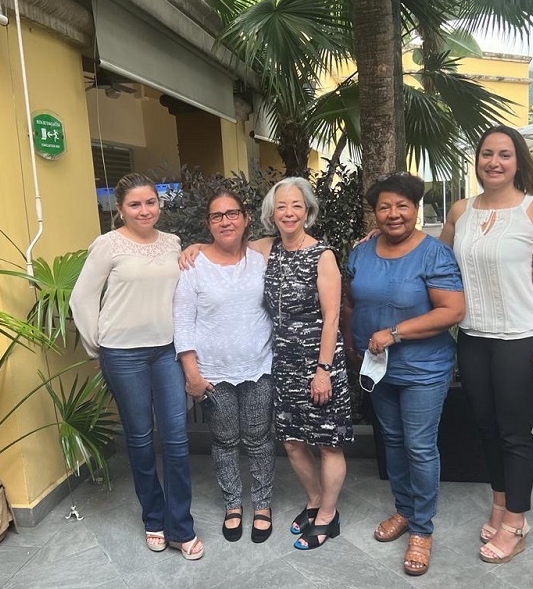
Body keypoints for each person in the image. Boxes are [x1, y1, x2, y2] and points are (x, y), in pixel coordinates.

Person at [440, 125, 533, 564]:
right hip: (472, 337)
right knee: (486, 427)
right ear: (477, 159)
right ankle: (499, 503)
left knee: (513, 433)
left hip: (520, 337)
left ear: (517, 162)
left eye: (504, 154)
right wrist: (377, 243)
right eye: (487, 153)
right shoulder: (460, 210)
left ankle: (516, 522)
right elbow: (435, 262)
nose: (494, 161)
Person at [70, 173, 203, 561]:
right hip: (122, 354)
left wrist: (195, 247)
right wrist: (98, 349)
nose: (144, 210)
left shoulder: (172, 242)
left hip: (166, 352)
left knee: (177, 440)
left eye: (150, 202)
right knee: (141, 439)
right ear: (120, 208)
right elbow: (82, 299)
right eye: (135, 204)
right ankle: (153, 519)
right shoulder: (107, 245)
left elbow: (185, 281)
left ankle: (182, 526)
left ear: (159, 205)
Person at [343, 172, 464, 576]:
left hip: (424, 368)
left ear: (415, 209)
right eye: (384, 207)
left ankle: (422, 529)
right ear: (374, 212)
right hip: (378, 369)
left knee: (418, 445)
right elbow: (351, 302)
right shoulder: (361, 252)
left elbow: (452, 311)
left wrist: (394, 333)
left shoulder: (434, 254)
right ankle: (404, 510)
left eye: (402, 206)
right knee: (392, 441)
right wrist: (353, 343)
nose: (393, 214)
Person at [173, 189, 276, 544]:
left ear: (246, 219)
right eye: (217, 216)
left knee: (260, 439)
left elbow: (296, 234)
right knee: (225, 440)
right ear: (208, 224)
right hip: (212, 373)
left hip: (259, 366)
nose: (225, 221)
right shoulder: (193, 265)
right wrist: (192, 374)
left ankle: (262, 504)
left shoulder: (261, 257)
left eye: (232, 213)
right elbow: (183, 321)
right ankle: (234, 504)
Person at [260, 177, 353, 551]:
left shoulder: (322, 254)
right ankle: (314, 500)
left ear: (308, 211)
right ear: (272, 213)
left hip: (320, 363)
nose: (288, 212)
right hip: (282, 363)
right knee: (292, 441)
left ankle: (329, 516)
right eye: (281, 206)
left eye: (296, 205)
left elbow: (332, 317)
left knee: (328, 443)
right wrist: (196, 248)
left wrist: (323, 371)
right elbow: (226, 248)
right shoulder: (268, 249)